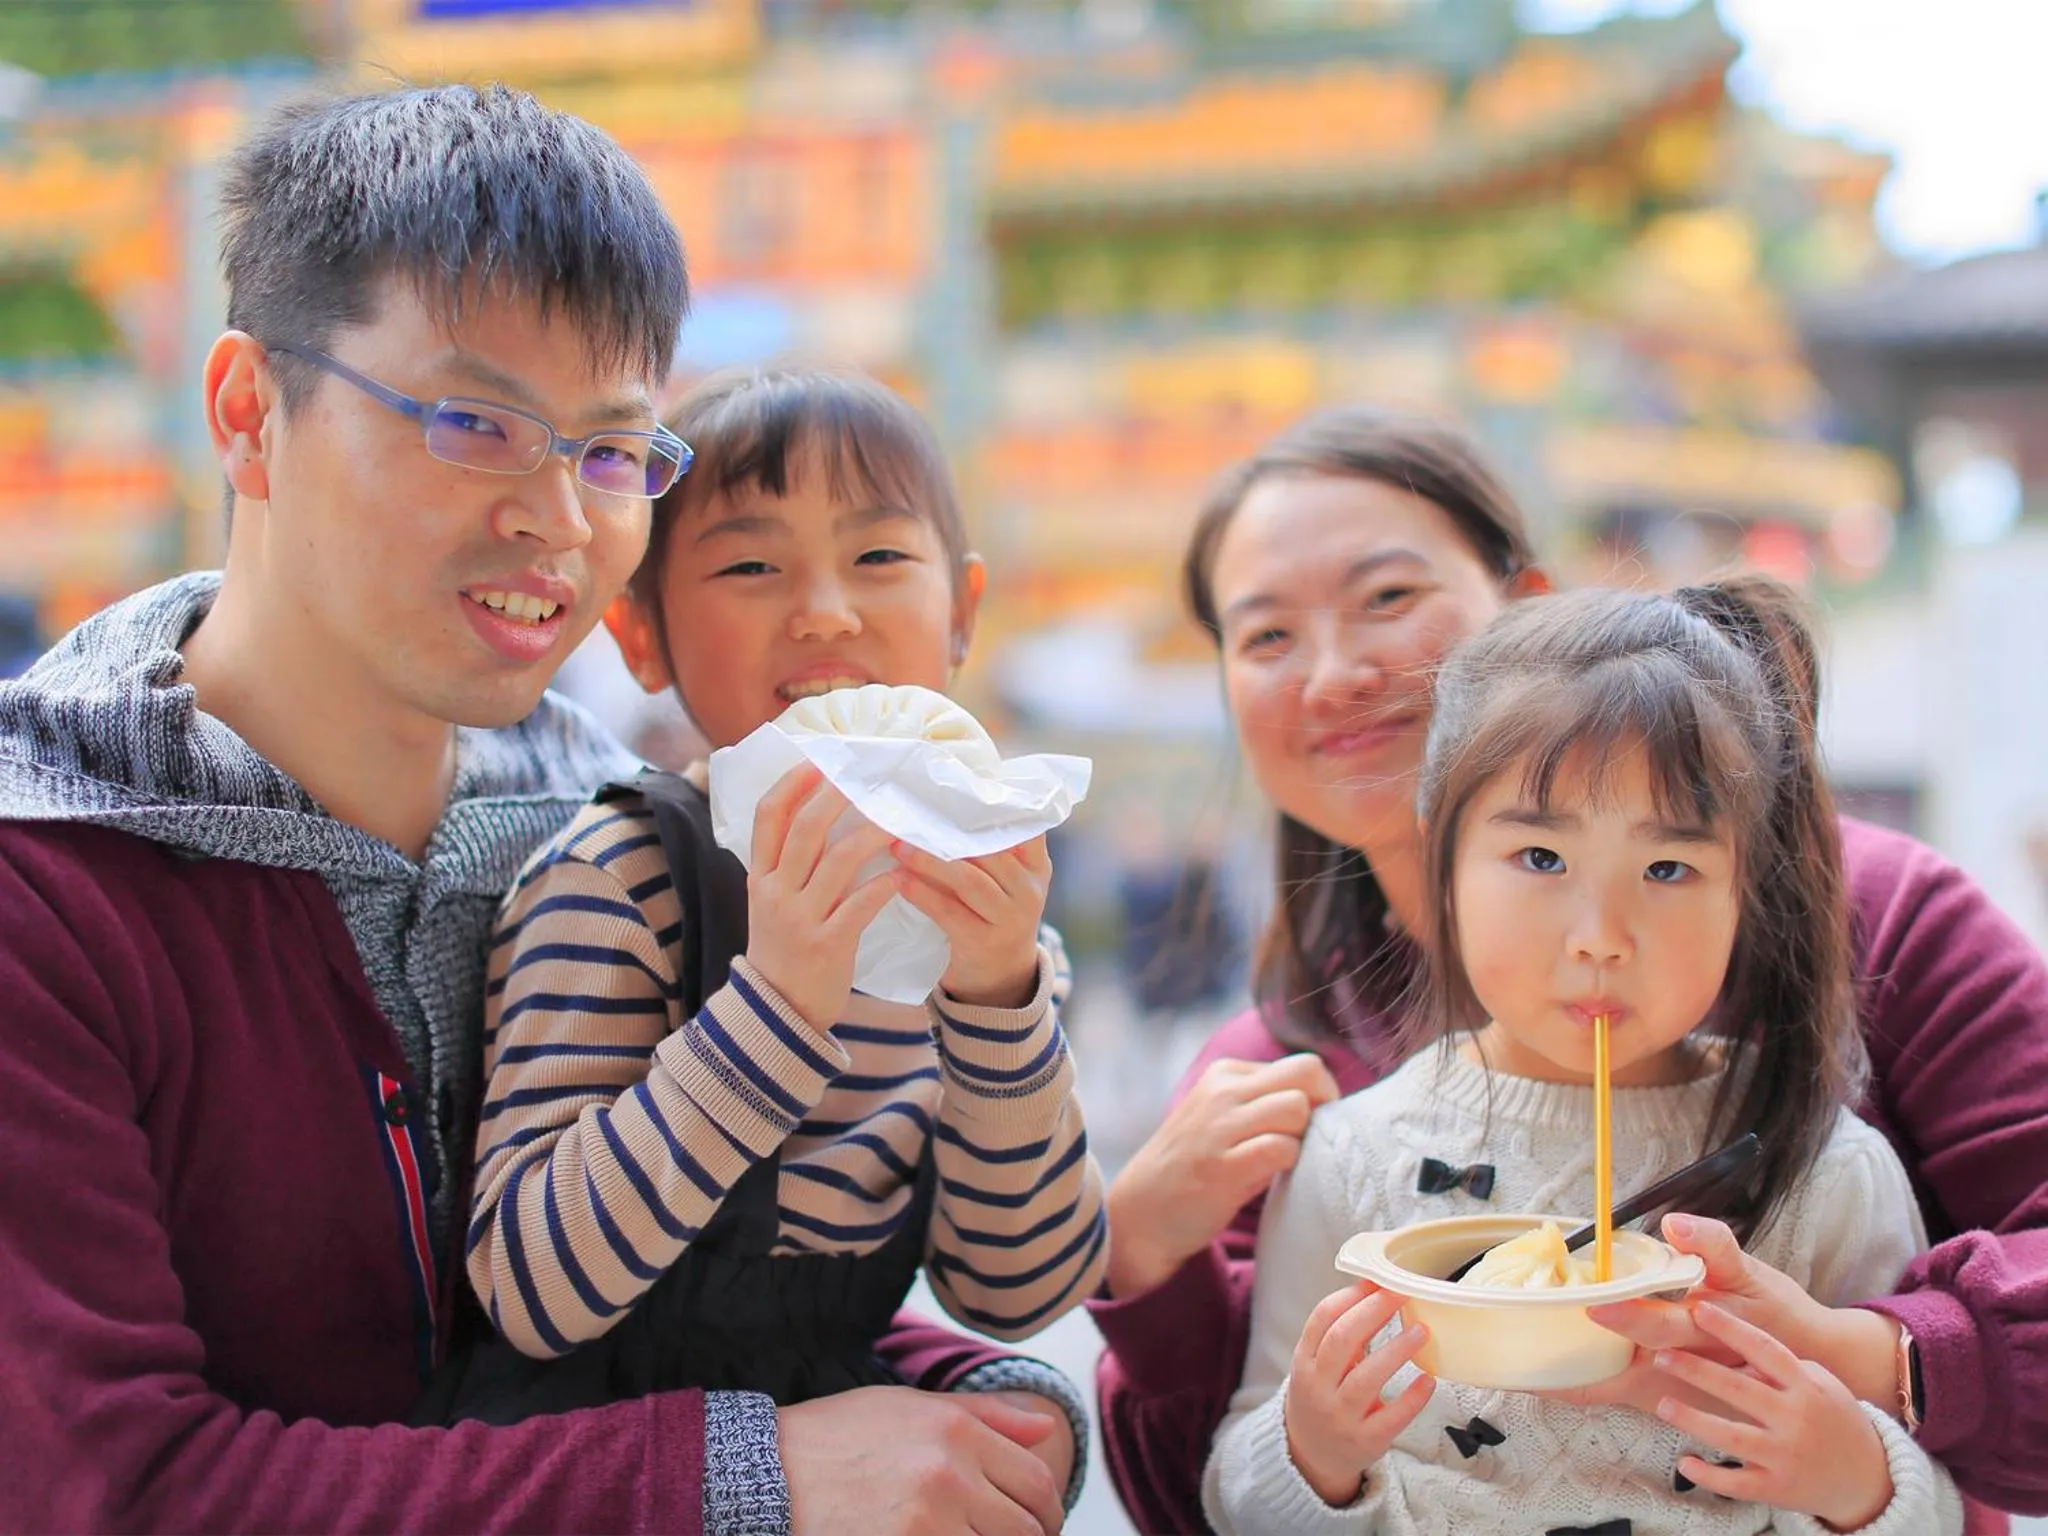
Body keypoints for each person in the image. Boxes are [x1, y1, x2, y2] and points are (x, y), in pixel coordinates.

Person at [0, 84, 1078, 1534]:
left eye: (611, 450)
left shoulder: (621, 830)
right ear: (251, 415)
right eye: (475, 422)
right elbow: (107, 1489)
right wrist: (746, 1477)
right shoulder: (45, 888)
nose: (562, 519)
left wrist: (971, 1402)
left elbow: (712, 1284)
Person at [1091, 407, 2048, 1534]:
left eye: (1386, 596)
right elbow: (1216, 1495)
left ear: (1527, 605)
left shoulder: (1869, 984)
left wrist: (1861, 1376)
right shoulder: (1300, 1113)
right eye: (1266, 636)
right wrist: (1138, 1267)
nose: (1336, 673)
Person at [436, 366, 1107, 1465]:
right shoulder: (619, 880)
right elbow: (532, 1291)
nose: (826, 611)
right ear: (641, 635)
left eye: (878, 558)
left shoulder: (983, 926)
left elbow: (1022, 1288)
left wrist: (998, 1002)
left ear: (962, 614)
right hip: (611, 1466)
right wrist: (780, 1004)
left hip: (852, 1447)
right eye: (751, 566)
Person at [1205, 575, 1960, 1534]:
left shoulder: (1826, 1174)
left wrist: (1849, 1477)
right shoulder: (1351, 1159)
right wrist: (1313, 1449)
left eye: (1668, 868)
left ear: (1747, 886)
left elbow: (1939, 1506)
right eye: (1542, 859)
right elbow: (1237, 1491)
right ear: (1440, 860)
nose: (1600, 935)